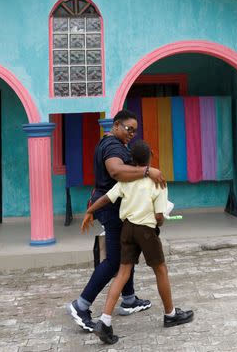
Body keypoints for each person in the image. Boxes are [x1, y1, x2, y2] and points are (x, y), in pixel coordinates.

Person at [82, 139, 194, 344]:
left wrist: (90, 210)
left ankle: (105, 321)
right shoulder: (157, 181)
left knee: (123, 272)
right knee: (160, 270)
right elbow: (159, 216)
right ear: (150, 157)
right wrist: (160, 220)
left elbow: (107, 198)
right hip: (146, 231)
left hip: (126, 230)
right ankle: (170, 314)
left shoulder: (125, 180)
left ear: (131, 159)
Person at [66, 109, 166, 332]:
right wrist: (147, 170)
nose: (132, 133)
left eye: (135, 131)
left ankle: (129, 299)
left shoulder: (114, 143)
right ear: (117, 125)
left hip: (111, 205)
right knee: (114, 261)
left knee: (125, 256)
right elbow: (115, 171)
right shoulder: (112, 146)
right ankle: (81, 305)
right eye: (129, 129)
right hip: (112, 210)